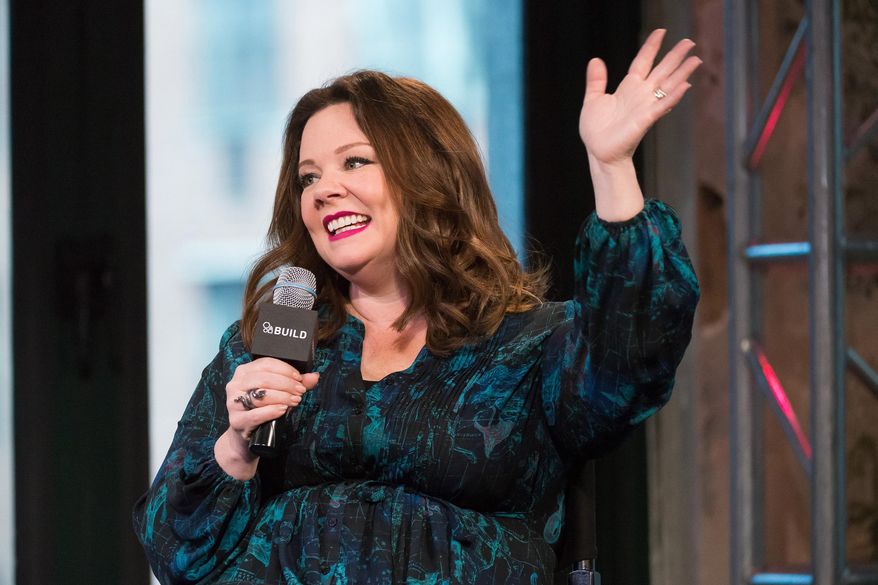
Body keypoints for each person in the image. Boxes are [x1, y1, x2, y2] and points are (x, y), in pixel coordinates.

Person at [134, 29, 701, 584]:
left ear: (429, 174)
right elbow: (175, 556)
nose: (323, 190)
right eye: (308, 177)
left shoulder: (527, 345)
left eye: (355, 162)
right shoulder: (261, 350)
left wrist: (611, 167)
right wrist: (237, 447)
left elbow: (631, 360)